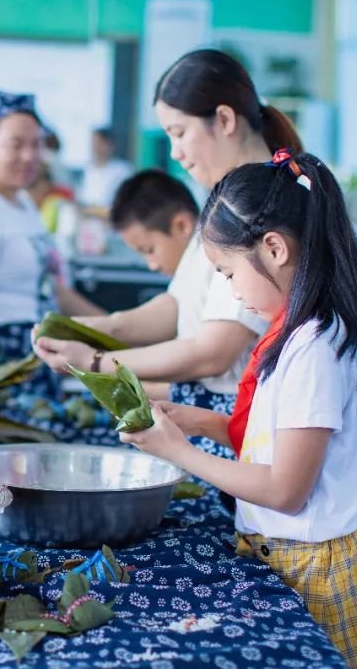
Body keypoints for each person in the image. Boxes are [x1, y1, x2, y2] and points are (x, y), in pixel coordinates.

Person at [121, 151, 357, 668]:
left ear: (275, 248)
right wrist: (204, 425)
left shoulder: (315, 346)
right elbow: (284, 446)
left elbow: (286, 489)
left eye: (229, 274)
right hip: (295, 559)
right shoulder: (297, 332)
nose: (233, 292)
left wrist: (179, 452)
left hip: (325, 576)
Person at [34, 48, 301, 459]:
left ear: (225, 120)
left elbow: (214, 350)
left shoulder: (264, 208)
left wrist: (99, 360)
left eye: (179, 132)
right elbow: (178, 306)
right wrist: (95, 328)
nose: (174, 152)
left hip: (241, 428)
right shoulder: (225, 201)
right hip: (211, 416)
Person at [0, 85, 101, 398]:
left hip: (33, 357)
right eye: (15, 145)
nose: (29, 156)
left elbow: (50, 288)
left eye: (36, 144)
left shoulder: (23, 204)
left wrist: (116, 326)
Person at [78, 127, 133, 210]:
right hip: (87, 220)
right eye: (93, 143)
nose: (94, 147)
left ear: (109, 145)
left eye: (98, 143)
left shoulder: (122, 170)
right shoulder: (88, 168)